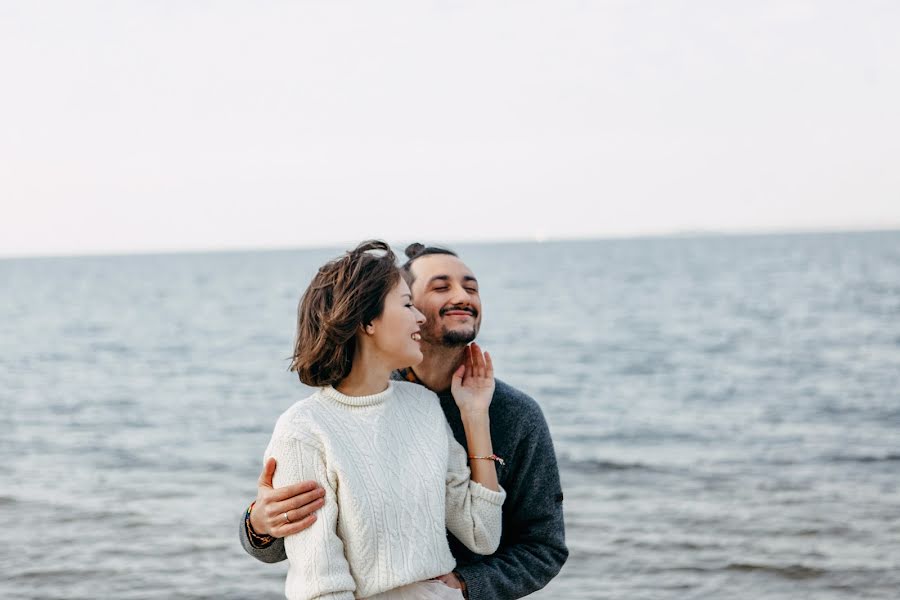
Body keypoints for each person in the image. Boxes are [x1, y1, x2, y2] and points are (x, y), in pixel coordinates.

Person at [241, 243, 568, 600]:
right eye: (438, 288)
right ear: (367, 318)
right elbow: (301, 560)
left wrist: (464, 586)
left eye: (471, 287)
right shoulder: (315, 421)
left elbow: (538, 545)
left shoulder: (512, 414)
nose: (462, 297)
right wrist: (258, 524)